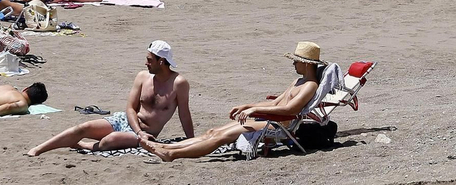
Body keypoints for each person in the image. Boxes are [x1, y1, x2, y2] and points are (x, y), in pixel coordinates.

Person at [140, 42, 327, 161]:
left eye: (296, 61)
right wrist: (249, 106)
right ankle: (167, 147)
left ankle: (172, 154)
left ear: (307, 63)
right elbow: (277, 102)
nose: (293, 64)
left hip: (278, 126)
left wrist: (254, 112)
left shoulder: (310, 85)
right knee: (213, 131)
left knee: (221, 137)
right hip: (268, 119)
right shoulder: (298, 81)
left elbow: (289, 110)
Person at [28, 41, 193, 155]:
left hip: (147, 133)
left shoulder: (178, 83)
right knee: (83, 127)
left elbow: (184, 115)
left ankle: (84, 145)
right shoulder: (143, 77)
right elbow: (130, 108)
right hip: (127, 122)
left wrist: (192, 141)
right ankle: (40, 148)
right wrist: (137, 130)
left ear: (162, 61)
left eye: (150, 60)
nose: (146, 63)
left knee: (109, 140)